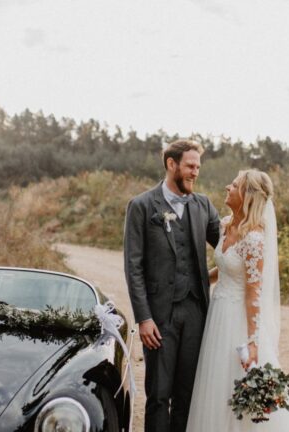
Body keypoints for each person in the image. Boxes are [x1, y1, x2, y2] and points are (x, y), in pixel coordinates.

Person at [186, 169, 289, 431]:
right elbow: (228, 268)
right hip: (217, 314)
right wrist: (198, 282)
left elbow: (254, 293)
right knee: (215, 384)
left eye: (233, 185)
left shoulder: (254, 238)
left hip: (237, 321)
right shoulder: (225, 225)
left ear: (247, 196)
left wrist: (253, 343)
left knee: (239, 386)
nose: (227, 188)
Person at [123, 139, 220, 432]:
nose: (195, 172)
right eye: (190, 166)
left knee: (186, 396)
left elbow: (228, 247)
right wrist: (144, 317)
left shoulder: (203, 205)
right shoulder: (141, 206)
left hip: (196, 313)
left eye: (198, 167)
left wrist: (253, 217)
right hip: (159, 317)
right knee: (158, 395)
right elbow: (133, 266)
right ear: (171, 164)